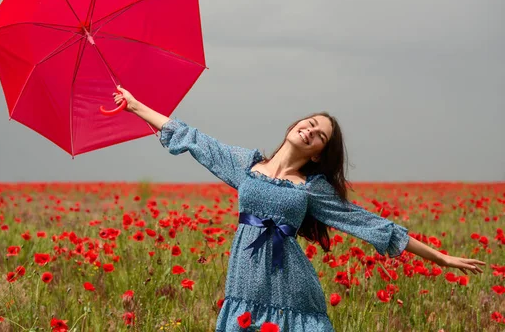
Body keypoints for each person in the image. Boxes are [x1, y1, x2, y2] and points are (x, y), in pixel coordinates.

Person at [112, 87, 486, 332]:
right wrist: (135, 106)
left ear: (319, 151)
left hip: (292, 292)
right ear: (294, 127)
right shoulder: (245, 165)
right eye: (308, 124)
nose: (310, 130)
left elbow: (373, 226)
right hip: (243, 285)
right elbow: (194, 139)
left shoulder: (313, 189)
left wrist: (440, 258)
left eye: (319, 134)